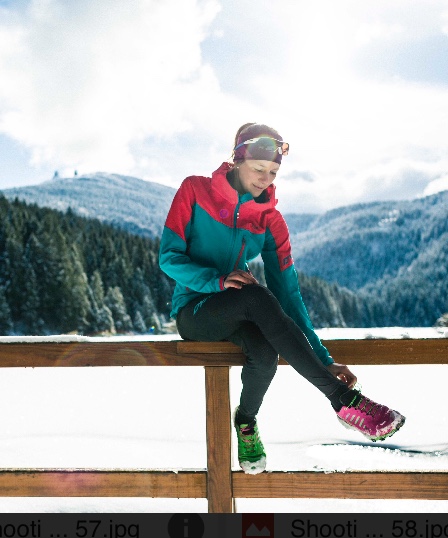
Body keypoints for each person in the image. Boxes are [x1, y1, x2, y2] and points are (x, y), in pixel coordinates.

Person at [159, 123, 405, 474]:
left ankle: (245, 422)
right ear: (237, 158)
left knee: (264, 353)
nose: (265, 178)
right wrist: (214, 280)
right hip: (195, 311)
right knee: (255, 295)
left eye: (273, 172)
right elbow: (168, 257)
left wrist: (324, 358)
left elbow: (289, 297)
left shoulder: (270, 221)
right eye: (259, 169)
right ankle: (343, 401)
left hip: (241, 312)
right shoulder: (195, 190)